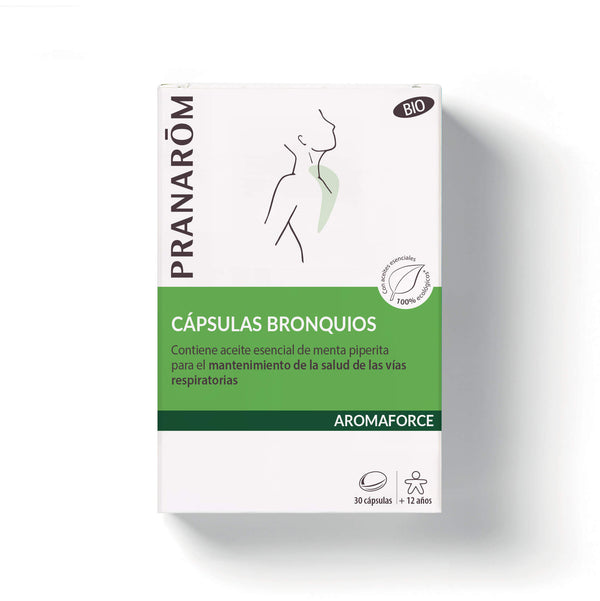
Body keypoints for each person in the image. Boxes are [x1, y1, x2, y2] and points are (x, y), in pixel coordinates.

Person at [264, 109, 337, 263]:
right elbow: (266, 242)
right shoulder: (291, 185)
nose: (332, 125)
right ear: (302, 139)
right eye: (321, 121)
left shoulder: (325, 182)